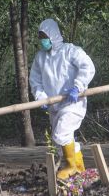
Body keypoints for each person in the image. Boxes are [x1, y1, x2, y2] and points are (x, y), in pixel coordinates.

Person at [29, 18, 95, 179]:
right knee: (61, 141)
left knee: (62, 132)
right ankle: (79, 170)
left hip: (73, 102)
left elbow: (88, 67)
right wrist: (41, 97)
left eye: (45, 36)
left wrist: (78, 86)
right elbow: (35, 80)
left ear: (53, 35)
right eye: (40, 37)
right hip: (53, 105)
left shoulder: (70, 51)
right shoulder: (40, 57)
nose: (42, 41)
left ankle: (71, 166)